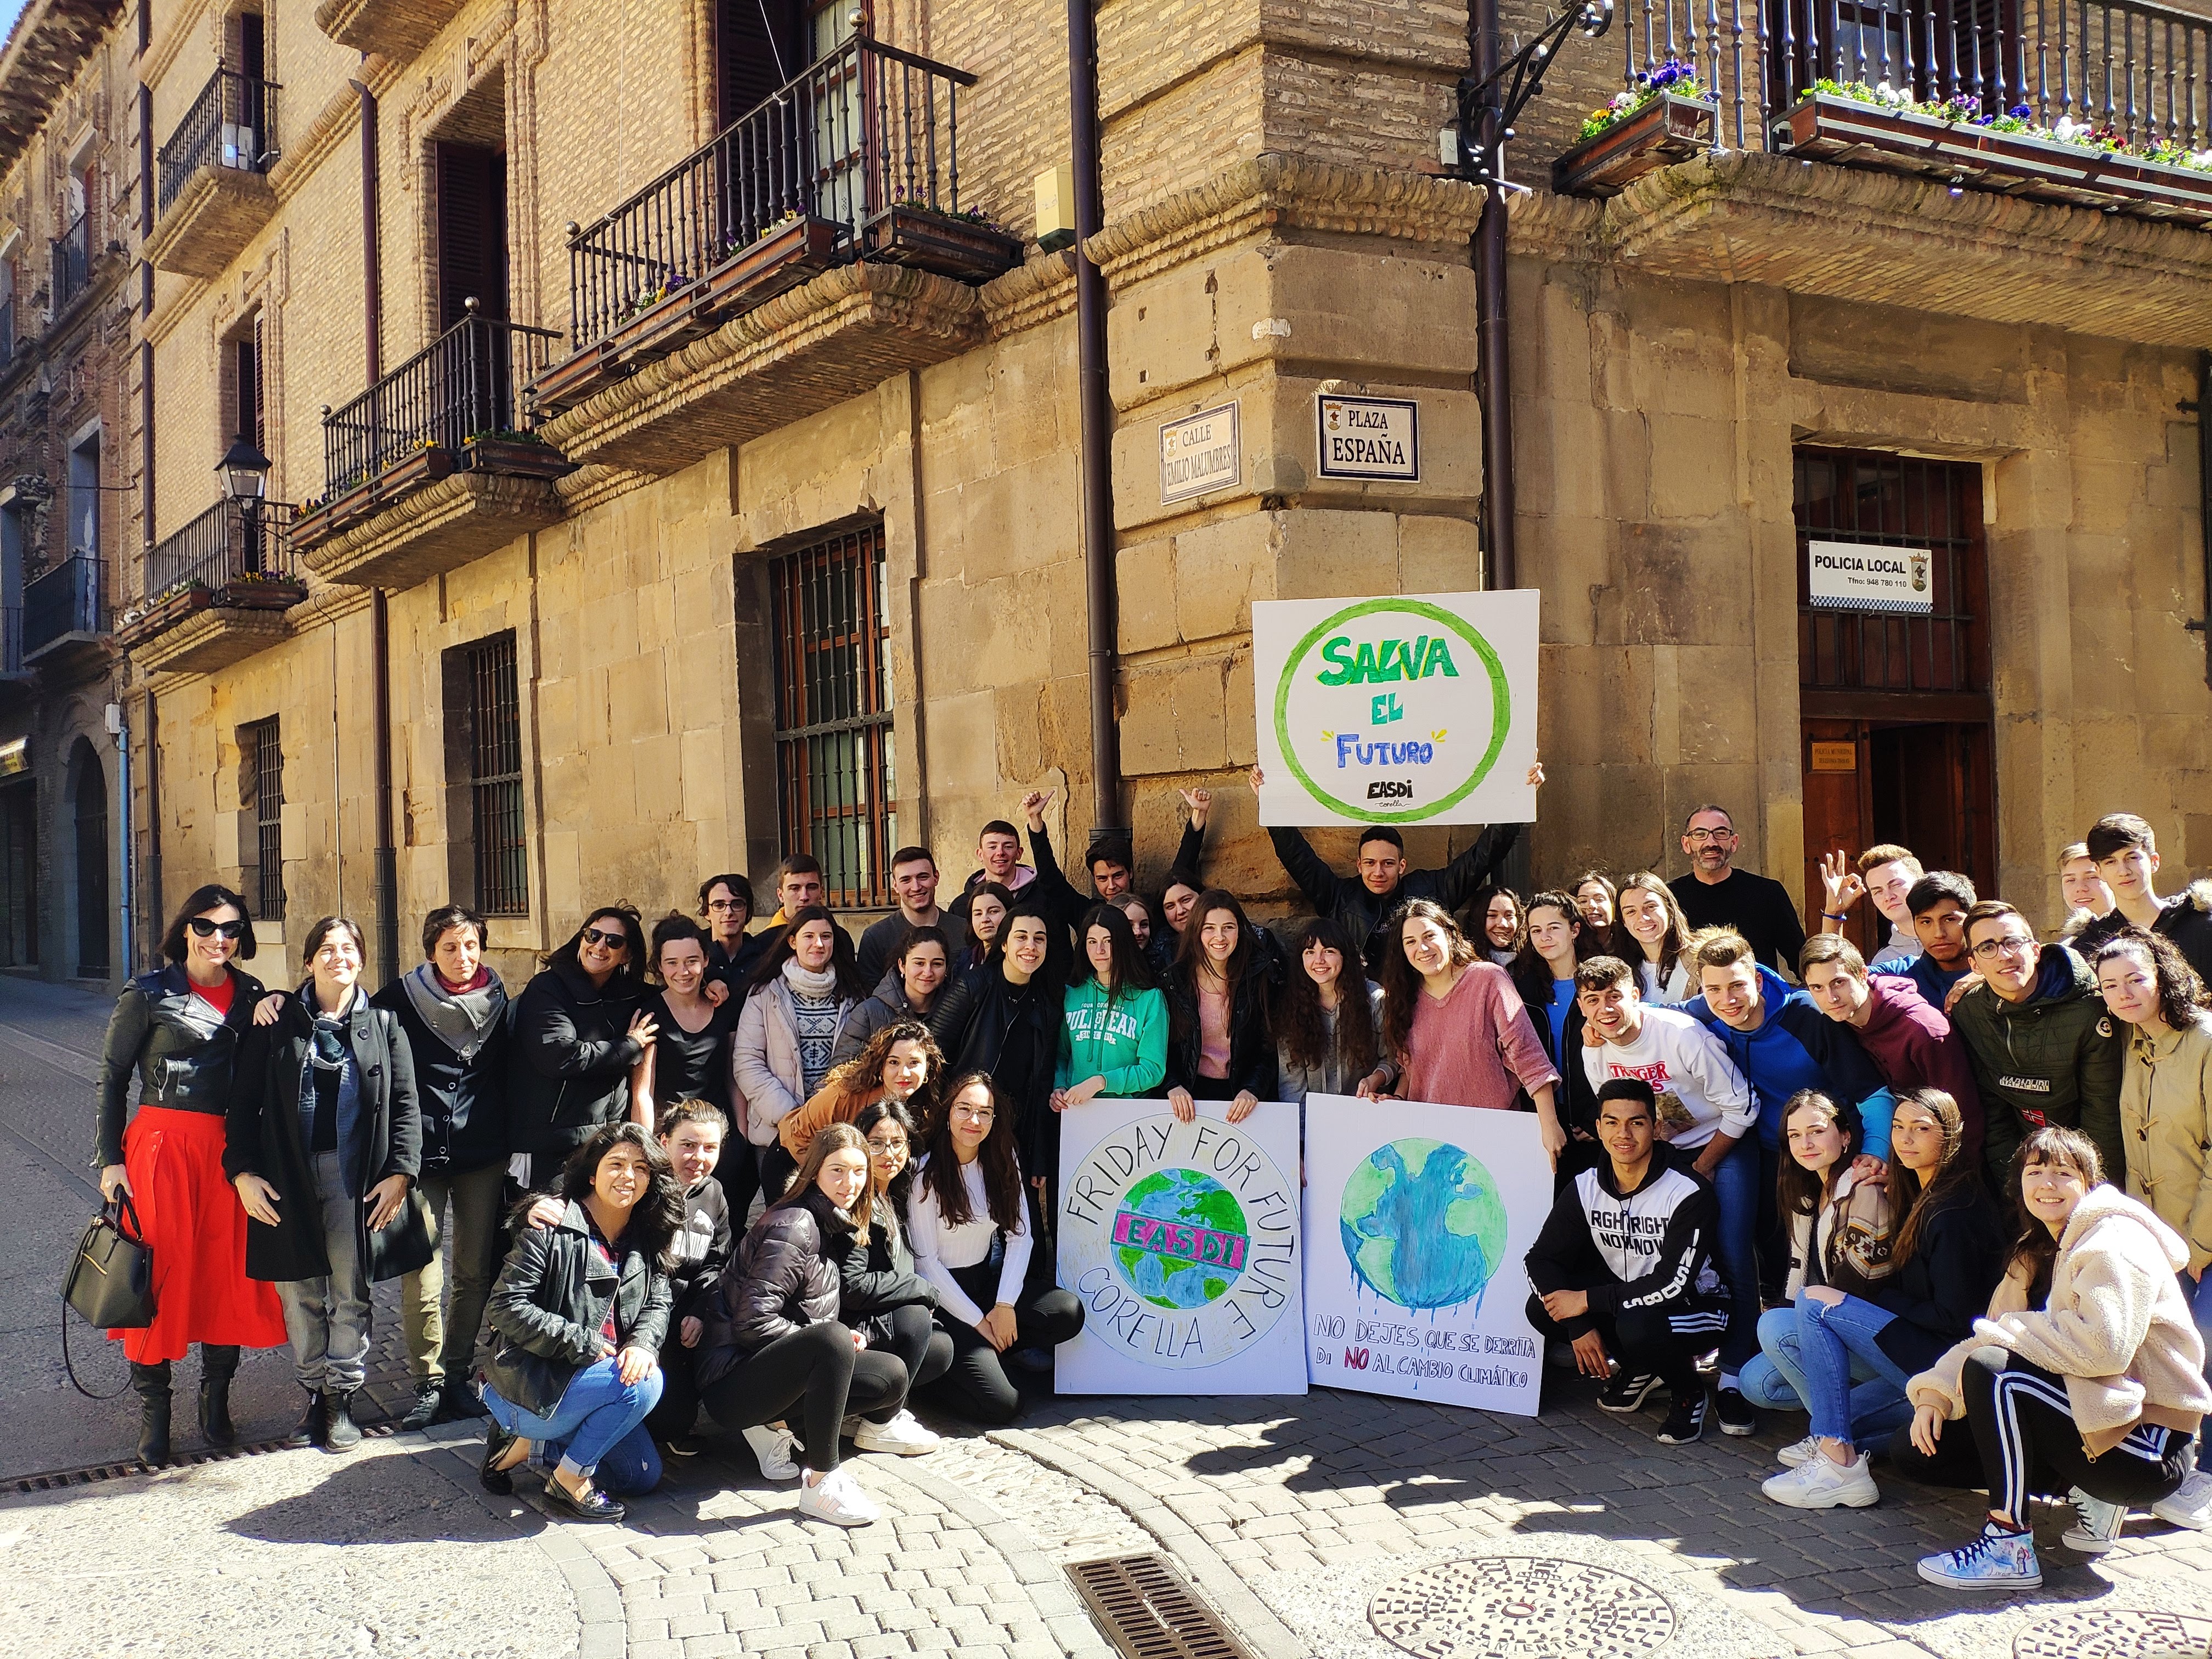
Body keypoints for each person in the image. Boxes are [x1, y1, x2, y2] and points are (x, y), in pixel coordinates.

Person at [1907, 1128, 2211, 1588]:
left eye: (2063, 1173)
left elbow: (2102, 1347)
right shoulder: (2053, 1244)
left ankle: (2007, 1544)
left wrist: (2011, 1332)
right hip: (2108, 1424)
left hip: (2149, 1448)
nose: (2047, 1183)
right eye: (2036, 1172)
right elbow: (2018, 1339)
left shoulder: (2113, 1242)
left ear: (2088, 1184)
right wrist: (1935, 1391)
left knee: (1994, 1372)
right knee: (1919, 1452)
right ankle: (2088, 1494)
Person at [95, 885, 289, 1464]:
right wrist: (110, 1160)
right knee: (156, 1276)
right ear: (185, 930)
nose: (217, 939)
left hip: (228, 1154)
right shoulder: (149, 992)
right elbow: (112, 1076)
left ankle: (216, 1399)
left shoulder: (251, 992)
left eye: (230, 930)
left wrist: (277, 1001)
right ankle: (155, 1414)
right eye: (205, 927)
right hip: (161, 1149)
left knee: (224, 1273)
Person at [227, 917, 423, 1455]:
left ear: (361, 959)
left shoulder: (384, 1023)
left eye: (349, 949)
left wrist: (401, 1173)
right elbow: (242, 1108)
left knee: (347, 1289)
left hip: (352, 1177)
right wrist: (242, 1173)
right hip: (287, 1175)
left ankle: (341, 1398)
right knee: (298, 1290)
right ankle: (312, 1389)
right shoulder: (275, 1023)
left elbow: (407, 1105)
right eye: (327, 950)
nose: (339, 958)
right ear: (309, 961)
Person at [1575, 956, 1762, 1432]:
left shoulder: (1680, 1035)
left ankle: (1734, 1375)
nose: (1606, 1009)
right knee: (1653, 1252)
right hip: (1661, 1152)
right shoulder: (1594, 1048)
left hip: (1721, 1141)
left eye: (1615, 996)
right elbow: (1618, 1117)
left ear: (1636, 994)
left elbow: (1743, 1107)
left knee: (1733, 1251)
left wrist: (1702, 1168)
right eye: (1593, 1001)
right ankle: (1663, 1360)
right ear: (1581, 1007)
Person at [696, 1124, 913, 1525]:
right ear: (815, 1172)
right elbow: (752, 1322)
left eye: (859, 1171)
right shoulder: (795, 1225)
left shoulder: (834, 1221)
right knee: (832, 1341)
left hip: (768, 1368)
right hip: (729, 1382)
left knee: (890, 1377)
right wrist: (822, 1339)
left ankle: (775, 1425)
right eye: (837, 1171)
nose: (850, 1183)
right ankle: (821, 1482)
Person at [479, 1121, 678, 1523]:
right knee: (644, 1384)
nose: (629, 1176)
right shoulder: (552, 1227)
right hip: (531, 1384)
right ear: (593, 1173)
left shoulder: (646, 1232)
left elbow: (659, 1301)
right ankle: (567, 1479)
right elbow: (503, 1306)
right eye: (617, 1164)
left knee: (638, 1475)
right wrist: (581, 1342)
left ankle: (525, 1447)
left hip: (593, 1385)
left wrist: (643, 1343)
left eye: (641, 1168)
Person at [1524, 1078, 1733, 1446]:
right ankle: (1642, 1367)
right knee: (1542, 1308)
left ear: (1655, 1127)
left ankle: (1688, 1391)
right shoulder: (1586, 1185)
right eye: (1612, 1122)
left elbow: (1673, 1284)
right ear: (1599, 1128)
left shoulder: (1688, 1192)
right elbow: (1540, 1259)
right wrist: (1576, 1322)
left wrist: (1586, 1301)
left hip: (1699, 1309)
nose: (1624, 1133)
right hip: (1632, 1303)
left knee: (1636, 1325)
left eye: (1636, 1122)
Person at [521, 1100, 733, 1455]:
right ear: (663, 1142)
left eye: (710, 1148)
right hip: (616, 1319)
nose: (699, 1157)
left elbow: (717, 1263)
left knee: (672, 1422)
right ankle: (554, 1431)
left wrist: (700, 1308)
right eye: (688, 1145)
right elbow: (575, 1186)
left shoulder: (713, 1195)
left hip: (675, 1322)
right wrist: (535, 1206)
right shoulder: (637, 1183)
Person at [373, 904, 510, 1430]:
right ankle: (428, 1381)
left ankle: (458, 1374)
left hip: (483, 1153)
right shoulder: (396, 1002)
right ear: (431, 951)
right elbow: (339, 1018)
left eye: (471, 945)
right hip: (418, 1157)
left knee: (474, 1271)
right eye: (450, 947)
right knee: (422, 1272)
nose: (462, 957)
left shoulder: (501, 1002)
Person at [2095, 927, 2212, 1527]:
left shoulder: (2205, 1042)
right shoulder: (2129, 1044)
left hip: (2202, 1232)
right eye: (2110, 986)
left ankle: (2205, 1478)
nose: (2125, 993)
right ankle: (2173, 1467)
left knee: (2204, 1346)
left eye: (2136, 978)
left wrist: (2199, 1241)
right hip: (2155, 1234)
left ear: (2165, 973)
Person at [1743, 1092, 1897, 1508]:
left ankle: (1836, 1447)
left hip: (1882, 1340)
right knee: (1757, 1383)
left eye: (1817, 1131)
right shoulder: (1809, 1193)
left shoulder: (1864, 1190)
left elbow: (1865, 1294)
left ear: (1846, 1137)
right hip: (1833, 1329)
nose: (1805, 1143)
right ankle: (1846, 1429)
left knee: (1775, 1328)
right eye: (1795, 1135)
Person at [1246, 761, 1538, 978]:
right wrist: (1270, 804)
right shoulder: (1339, 897)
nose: (1378, 872)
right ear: (1359, 865)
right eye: (1370, 864)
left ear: (1402, 865)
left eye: (1387, 864)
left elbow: (1481, 859)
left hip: (1418, 1002)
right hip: (1360, 1006)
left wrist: (1519, 799)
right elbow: (1298, 858)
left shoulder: (1430, 892)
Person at [909, 1075, 1085, 1423]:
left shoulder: (1002, 1161)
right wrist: (979, 1322)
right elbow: (926, 1264)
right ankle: (925, 1384)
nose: (974, 1121)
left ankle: (998, 1348)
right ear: (948, 1114)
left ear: (994, 1119)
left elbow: (1021, 1236)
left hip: (985, 1284)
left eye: (984, 1113)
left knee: (1067, 1312)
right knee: (1005, 1405)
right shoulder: (925, 1174)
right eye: (965, 1109)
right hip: (945, 1300)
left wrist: (1004, 1306)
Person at [1680, 929, 1899, 1163]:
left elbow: (1872, 1095)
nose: (1727, 1000)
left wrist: (1875, 1154)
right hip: (1769, 1154)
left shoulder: (1807, 1016)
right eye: (1714, 989)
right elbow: (1645, 1015)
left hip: (1833, 1151)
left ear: (1758, 981)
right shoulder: (1704, 1013)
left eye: (1737, 986)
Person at [1950, 899, 2126, 1186]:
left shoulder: (2089, 1011)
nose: (2003, 956)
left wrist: (2096, 1194)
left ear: (2035, 950)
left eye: (2012, 942)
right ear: (1974, 964)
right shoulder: (1969, 1012)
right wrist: (2015, 1191)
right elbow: (1993, 1110)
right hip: (2019, 1160)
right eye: (1987, 948)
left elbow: (2102, 1116)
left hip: (2083, 1162)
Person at [1375, 900, 1564, 1153]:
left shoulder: (1487, 979)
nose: (1422, 948)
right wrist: (1397, 1099)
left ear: (1449, 934)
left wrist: (1549, 1125)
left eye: (1430, 935)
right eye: (1410, 941)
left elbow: (1527, 1054)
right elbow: (1413, 1068)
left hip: (1493, 1137)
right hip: (1430, 1144)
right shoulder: (1403, 999)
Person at [1798, 934, 1984, 1159]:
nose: (1832, 998)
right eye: (1817, 988)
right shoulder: (1834, 1022)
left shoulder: (1924, 1031)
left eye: (1839, 982)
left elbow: (1965, 1118)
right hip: (1893, 1150)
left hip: (1947, 1158)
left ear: (1863, 974)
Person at [509, 907, 656, 1188]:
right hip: (549, 1144)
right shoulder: (547, 988)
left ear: (626, 955)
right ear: (582, 938)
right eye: (594, 935)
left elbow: (675, 995)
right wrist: (630, 1045)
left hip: (606, 1140)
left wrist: (712, 986)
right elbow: (560, 1056)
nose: (600, 946)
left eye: (613, 941)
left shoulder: (629, 994)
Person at [928, 904, 1067, 1193]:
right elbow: (932, 1055)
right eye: (1021, 937)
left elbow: (1043, 1083)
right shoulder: (972, 986)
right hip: (965, 1125)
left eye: (1039, 939)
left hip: (1013, 1135)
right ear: (1004, 944)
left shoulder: (1048, 1004)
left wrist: (1038, 1155)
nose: (1031, 946)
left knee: (1026, 1235)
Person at [837, 1097, 949, 1454]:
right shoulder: (856, 1200)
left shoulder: (894, 1192)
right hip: (850, 1328)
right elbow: (852, 1286)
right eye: (877, 1143)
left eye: (898, 1143)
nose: (890, 1153)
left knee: (940, 1348)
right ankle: (880, 1423)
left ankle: (858, 1413)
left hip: (876, 1319)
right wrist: (919, 1289)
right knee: (917, 1319)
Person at [732, 905, 867, 1201]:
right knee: (785, 1214)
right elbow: (747, 1061)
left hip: (837, 1129)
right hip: (779, 1130)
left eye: (826, 936)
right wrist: (792, 1116)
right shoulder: (765, 995)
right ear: (792, 941)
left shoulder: (853, 995)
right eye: (809, 936)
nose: (818, 944)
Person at [635, 913, 746, 1218]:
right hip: (672, 1140)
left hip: (717, 1136)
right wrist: (647, 1148)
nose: (683, 972)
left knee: (725, 1224)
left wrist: (742, 1133)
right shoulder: (650, 1014)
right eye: (672, 962)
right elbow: (643, 1090)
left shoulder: (722, 1006)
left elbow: (733, 1077)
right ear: (659, 966)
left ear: (706, 960)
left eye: (692, 961)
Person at [1163, 889, 1279, 1126]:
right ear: (1196, 932)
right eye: (1209, 928)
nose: (1220, 937)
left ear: (1240, 931)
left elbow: (1269, 1047)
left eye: (1228, 927)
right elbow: (1161, 1046)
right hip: (1188, 1093)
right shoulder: (1175, 981)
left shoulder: (1257, 977)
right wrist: (1172, 1085)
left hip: (1242, 1095)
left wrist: (1253, 1089)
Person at [1054, 902, 1169, 1115]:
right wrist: (1059, 1086)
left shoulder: (1150, 999)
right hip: (1077, 1113)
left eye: (1108, 941)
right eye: (1092, 942)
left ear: (1123, 943)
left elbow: (1153, 1070)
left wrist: (1102, 1082)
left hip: (1126, 1116)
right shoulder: (1072, 993)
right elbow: (1061, 1054)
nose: (1100, 951)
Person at [779, 1020, 944, 1165]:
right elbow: (798, 1136)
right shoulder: (844, 1094)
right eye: (894, 1062)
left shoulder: (927, 1108)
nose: (904, 1073)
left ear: (927, 1071)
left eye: (914, 1063)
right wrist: (823, 1178)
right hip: (794, 1159)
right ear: (881, 1068)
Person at [1668, 805, 1807, 974]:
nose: (1711, 843)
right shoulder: (1669, 898)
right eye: (1700, 834)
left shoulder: (1768, 893)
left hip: (1758, 999)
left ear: (1733, 843)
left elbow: (1803, 963)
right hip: (1690, 999)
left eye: (1720, 833)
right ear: (1686, 844)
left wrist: (1833, 914)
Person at [1275, 916, 1393, 1107]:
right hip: (1314, 1121)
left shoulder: (1375, 1000)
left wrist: (1375, 1079)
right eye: (1310, 952)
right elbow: (1291, 1086)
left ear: (1344, 956)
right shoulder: (1291, 1006)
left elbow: (1391, 1060)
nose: (1318, 960)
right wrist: (1303, 1132)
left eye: (1329, 951)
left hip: (1366, 1113)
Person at [2082, 812, 2212, 985]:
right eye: (2110, 862)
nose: (2124, 871)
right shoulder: (2090, 944)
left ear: (2154, 861)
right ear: (2099, 872)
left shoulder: (2202, 928)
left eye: (2132, 858)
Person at [834, 924, 951, 1065]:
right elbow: (838, 1076)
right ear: (902, 965)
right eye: (919, 963)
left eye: (937, 964)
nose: (928, 972)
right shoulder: (868, 1013)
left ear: (946, 968)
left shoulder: (955, 1010)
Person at [857, 848, 968, 988]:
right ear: (895, 886)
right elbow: (869, 996)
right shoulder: (876, 937)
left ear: (936, 878)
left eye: (923, 877)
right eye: (906, 880)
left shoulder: (964, 929)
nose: (916, 887)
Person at [1084, 785, 1208, 902]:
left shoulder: (1152, 908)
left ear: (1131, 873)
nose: (1111, 886)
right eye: (1102, 878)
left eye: (1118, 876)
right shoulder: (1089, 914)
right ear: (1094, 880)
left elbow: (1182, 867)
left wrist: (1199, 813)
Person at [1814, 845, 1925, 972]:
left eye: (1896, 885)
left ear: (1922, 882)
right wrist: (1834, 913)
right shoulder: (1884, 962)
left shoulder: (1951, 937)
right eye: (1878, 891)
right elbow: (1835, 979)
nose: (1888, 897)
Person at [1901, 872, 1978, 1013]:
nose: (1939, 934)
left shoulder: (2005, 967)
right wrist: (1845, 910)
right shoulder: (1905, 972)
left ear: (1972, 919)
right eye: (1926, 922)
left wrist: (1985, 974)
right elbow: (1852, 976)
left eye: (1949, 920)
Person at [1615, 872, 1693, 1003]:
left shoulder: (1699, 962)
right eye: (1631, 912)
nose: (1643, 918)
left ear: (1669, 909)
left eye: (1650, 907)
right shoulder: (1621, 971)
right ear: (1624, 922)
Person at [698, 873, 767, 1001]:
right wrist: (703, 986)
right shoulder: (694, 957)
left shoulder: (764, 959)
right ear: (707, 912)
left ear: (748, 911)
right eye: (719, 905)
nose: (728, 913)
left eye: (737, 904)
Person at [2057, 843, 2116, 945]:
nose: (2080, 888)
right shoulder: (2063, 952)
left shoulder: (2135, 934)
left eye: (2092, 877)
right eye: (2071, 880)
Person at [958, 882, 1015, 978]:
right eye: (978, 914)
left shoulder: (1019, 957)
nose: (985, 920)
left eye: (994, 911)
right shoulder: (964, 960)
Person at [1570, 871, 1620, 957]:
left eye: (1599, 899)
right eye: (1583, 901)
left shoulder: (1630, 943)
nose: (1591, 906)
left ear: (1614, 904)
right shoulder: (1571, 948)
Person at [1474, 885, 1525, 967]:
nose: (1503, 924)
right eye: (1492, 915)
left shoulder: (1535, 963)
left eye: (1509, 915)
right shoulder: (1466, 966)